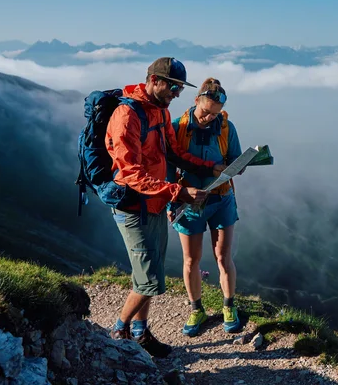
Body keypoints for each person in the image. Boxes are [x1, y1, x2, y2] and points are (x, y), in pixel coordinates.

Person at [105, 57, 220, 357]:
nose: (177, 94)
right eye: (173, 86)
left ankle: (141, 333)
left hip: (155, 203)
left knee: (150, 270)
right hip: (132, 207)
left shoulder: (159, 112)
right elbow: (129, 173)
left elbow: (175, 153)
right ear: (154, 80)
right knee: (149, 279)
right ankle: (118, 331)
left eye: (180, 88)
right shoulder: (127, 115)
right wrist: (178, 191)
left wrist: (212, 167)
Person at [166, 77, 245, 336]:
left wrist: (239, 166)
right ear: (195, 100)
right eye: (206, 111)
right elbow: (166, 168)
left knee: (223, 257)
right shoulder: (177, 127)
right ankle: (196, 309)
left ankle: (228, 306)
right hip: (188, 202)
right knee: (191, 260)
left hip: (221, 198)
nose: (209, 118)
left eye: (215, 114)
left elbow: (235, 158)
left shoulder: (226, 127)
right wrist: (171, 199)